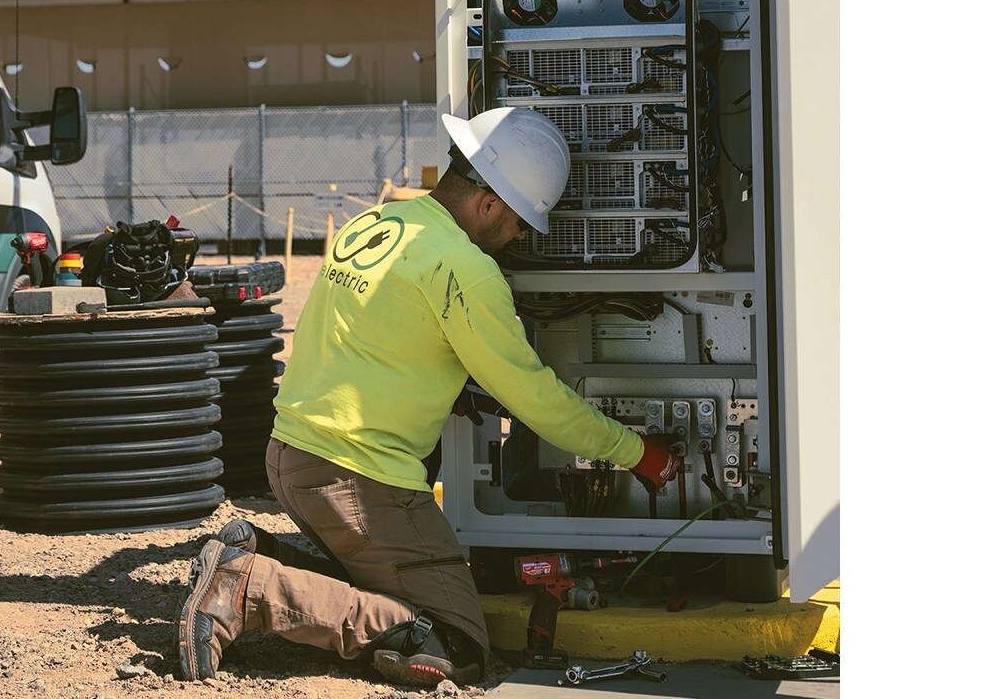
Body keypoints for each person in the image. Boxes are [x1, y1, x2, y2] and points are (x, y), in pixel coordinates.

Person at [174, 108, 684, 687]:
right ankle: (249, 588)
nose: (519, 238)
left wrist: (450, 388)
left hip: (292, 458)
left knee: (383, 592)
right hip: (358, 481)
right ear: (489, 202)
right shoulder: (466, 269)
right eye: (521, 222)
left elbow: (378, 336)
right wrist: (638, 453)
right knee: (455, 646)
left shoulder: (380, 223)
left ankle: (255, 552)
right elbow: (538, 400)